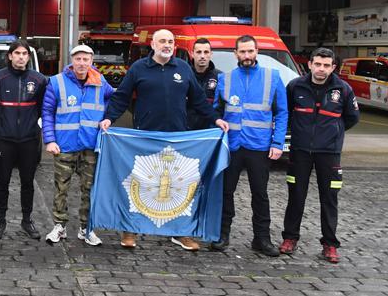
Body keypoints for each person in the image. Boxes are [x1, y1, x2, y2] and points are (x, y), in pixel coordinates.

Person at [101, 29, 228, 251]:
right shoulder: (139, 68)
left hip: (176, 137)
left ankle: (181, 233)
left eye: (170, 41)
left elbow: (199, 100)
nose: (167, 45)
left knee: (179, 186)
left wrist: (216, 120)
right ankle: (130, 231)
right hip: (145, 137)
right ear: (153, 44)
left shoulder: (183, 68)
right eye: (162, 41)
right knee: (139, 183)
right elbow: (121, 96)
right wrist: (109, 119)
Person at [211, 35, 288, 256]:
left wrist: (277, 142)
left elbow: (282, 113)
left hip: (259, 146)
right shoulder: (225, 79)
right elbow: (217, 111)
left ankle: (261, 239)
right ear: (235, 53)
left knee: (260, 194)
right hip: (232, 146)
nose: (247, 56)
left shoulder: (272, 78)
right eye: (242, 52)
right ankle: (222, 235)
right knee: (226, 192)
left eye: (250, 51)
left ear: (257, 52)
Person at [280, 47, 359, 263]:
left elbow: (352, 118)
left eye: (326, 65)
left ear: (333, 67)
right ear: (310, 64)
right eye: (318, 64)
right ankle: (290, 238)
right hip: (300, 151)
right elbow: (285, 114)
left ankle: (330, 244)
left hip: (329, 153)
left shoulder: (343, 90)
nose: (321, 69)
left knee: (329, 199)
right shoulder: (295, 86)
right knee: (296, 196)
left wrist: (333, 134)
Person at [42, 44, 113, 246]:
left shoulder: (101, 82)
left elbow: (114, 101)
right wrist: (50, 139)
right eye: (78, 59)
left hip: (91, 146)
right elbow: (47, 112)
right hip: (64, 145)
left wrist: (107, 117)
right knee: (60, 188)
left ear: (92, 61)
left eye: (86, 59)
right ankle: (59, 226)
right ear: (72, 61)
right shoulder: (56, 82)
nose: (82, 63)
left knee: (89, 189)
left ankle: (86, 228)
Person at [0, 39, 48, 240]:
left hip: (29, 139)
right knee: (2, 181)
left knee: (27, 182)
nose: (21, 57)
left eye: (25, 54)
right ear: (10, 56)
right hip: (5, 140)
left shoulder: (39, 80)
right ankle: (0, 220)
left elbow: (43, 108)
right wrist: (5, 123)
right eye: (17, 53)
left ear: (28, 57)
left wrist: (30, 123)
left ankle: (27, 220)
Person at [188, 38, 223, 130]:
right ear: (192, 54)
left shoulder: (220, 77)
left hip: (210, 131)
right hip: (185, 131)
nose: (202, 56)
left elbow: (222, 107)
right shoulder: (184, 74)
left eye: (206, 52)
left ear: (211, 54)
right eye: (199, 52)